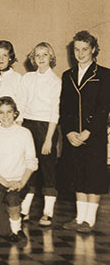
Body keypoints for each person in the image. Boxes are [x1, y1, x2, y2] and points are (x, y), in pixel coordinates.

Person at [60, 30, 110, 233]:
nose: (80, 54)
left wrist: (88, 131)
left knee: (94, 176)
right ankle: (79, 217)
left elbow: (103, 108)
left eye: (85, 50)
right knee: (78, 174)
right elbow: (64, 108)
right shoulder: (67, 75)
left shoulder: (105, 75)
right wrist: (70, 132)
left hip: (94, 136)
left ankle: (89, 219)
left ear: (94, 50)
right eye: (77, 49)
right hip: (74, 136)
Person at [0, 96, 37, 244]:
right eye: (1, 112)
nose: (5, 116)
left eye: (9, 112)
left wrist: (20, 182)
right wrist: (6, 183)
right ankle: (5, 215)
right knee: (2, 231)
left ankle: (17, 229)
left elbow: (31, 162)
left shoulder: (24, 133)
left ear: (15, 113)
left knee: (13, 197)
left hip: (21, 181)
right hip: (0, 182)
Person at [19, 42, 61, 226]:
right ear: (33, 58)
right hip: (27, 124)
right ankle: (24, 210)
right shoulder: (27, 78)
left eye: (45, 55)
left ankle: (48, 212)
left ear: (51, 57)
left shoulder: (55, 81)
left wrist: (48, 139)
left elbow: (54, 112)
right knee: (29, 168)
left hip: (47, 127)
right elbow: (20, 105)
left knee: (48, 170)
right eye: (37, 55)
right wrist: (19, 130)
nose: (41, 58)